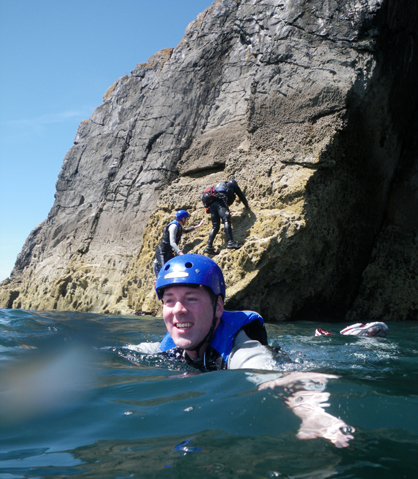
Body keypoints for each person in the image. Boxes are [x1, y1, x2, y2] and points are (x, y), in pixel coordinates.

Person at [135, 254, 355, 448]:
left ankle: (352, 339)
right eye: (169, 301)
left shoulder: (242, 352)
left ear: (218, 307)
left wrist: (313, 414)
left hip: (294, 358)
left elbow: (277, 377)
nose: (179, 310)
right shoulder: (165, 348)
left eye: (191, 299)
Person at [204, 179, 250, 254]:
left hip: (212, 205)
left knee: (215, 225)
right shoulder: (232, 184)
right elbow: (240, 195)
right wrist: (246, 205)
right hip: (220, 203)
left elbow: (220, 196)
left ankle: (209, 247)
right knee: (226, 219)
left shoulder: (219, 185)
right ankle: (230, 242)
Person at [153, 211, 204, 277]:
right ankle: (158, 281)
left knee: (173, 267)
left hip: (168, 252)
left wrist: (198, 226)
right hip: (161, 252)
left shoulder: (179, 226)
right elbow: (172, 242)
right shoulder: (173, 226)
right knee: (163, 269)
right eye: (187, 219)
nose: (187, 220)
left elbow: (185, 231)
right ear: (183, 219)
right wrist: (179, 252)